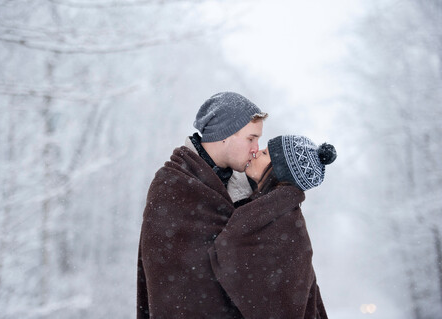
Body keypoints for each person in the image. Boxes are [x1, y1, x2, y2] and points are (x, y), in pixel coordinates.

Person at [137, 92, 268, 318]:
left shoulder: (249, 186)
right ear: (225, 135)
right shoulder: (172, 185)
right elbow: (169, 282)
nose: (256, 148)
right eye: (251, 138)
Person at [208, 135, 336, 319]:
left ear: (279, 170)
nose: (256, 152)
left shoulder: (282, 224)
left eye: (266, 153)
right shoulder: (270, 212)